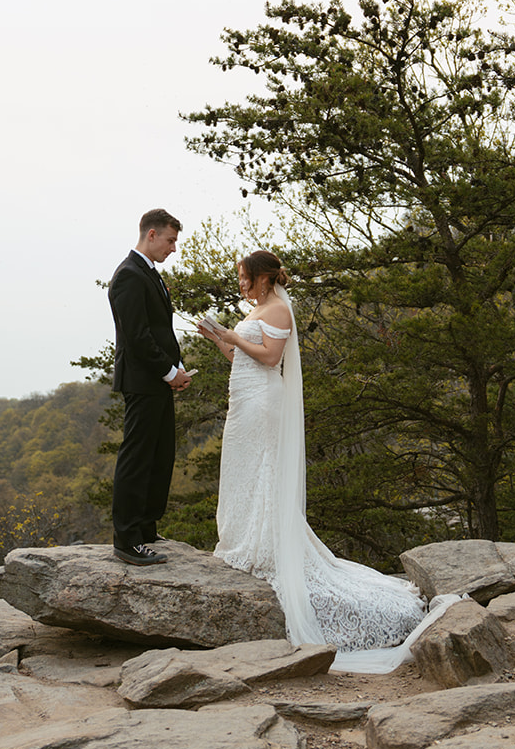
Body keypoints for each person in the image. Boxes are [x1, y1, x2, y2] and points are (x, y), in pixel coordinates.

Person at [198, 250, 430, 667]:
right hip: (244, 399)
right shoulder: (258, 310)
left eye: (244, 277)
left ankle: (264, 548)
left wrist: (233, 336)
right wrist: (220, 340)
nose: (240, 283)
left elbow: (271, 359)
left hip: (264, 401)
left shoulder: (281, 310)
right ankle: (242, 538)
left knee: (263, 470)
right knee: (243, 470)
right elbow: (242, 360)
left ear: (263, 279)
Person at [108, 209, 192, 566]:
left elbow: (159, 331)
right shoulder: (128, 275)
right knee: (137, 458)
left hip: (157, 380)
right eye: (171, 240)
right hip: (142, 382)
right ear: (152, 234)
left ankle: (145, 528)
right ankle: (126, 540)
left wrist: (178, 366)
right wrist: (168, 371)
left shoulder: (149, 274)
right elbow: (137, 336)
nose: (174, 248)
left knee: (160, 455)